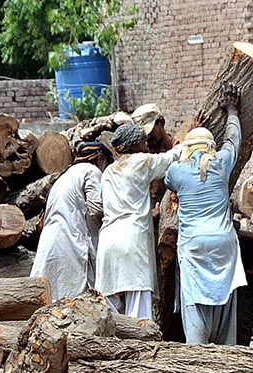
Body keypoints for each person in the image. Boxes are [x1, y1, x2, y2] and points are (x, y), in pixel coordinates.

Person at [164, 84, 247, 345]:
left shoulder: (178, 171)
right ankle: (226, 352)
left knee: (195, 301)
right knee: (225, 305)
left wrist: (187, 137)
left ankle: (197, 349)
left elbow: (167, 178)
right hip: (224, 244)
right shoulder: (221, 163)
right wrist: (232, 111)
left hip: (194, 247)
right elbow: (233, 141)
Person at [94, 123, 182, 319]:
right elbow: (171, 158)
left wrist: (148, 214)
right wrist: (188, 138)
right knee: (138, 318)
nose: (146, 145)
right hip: (132, 243)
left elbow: (116, 206)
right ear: (133, 147)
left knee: (110, 316)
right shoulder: (140, 161)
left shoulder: (108, 172)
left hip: (108, 244)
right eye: (142, 142)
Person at [30, 142, 109, 301]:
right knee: (73, 302)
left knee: (48, 296)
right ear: (100, 158)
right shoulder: (91, 171)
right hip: (71, 245)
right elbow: (97, 211)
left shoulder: (64, 175)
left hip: (51, 243)